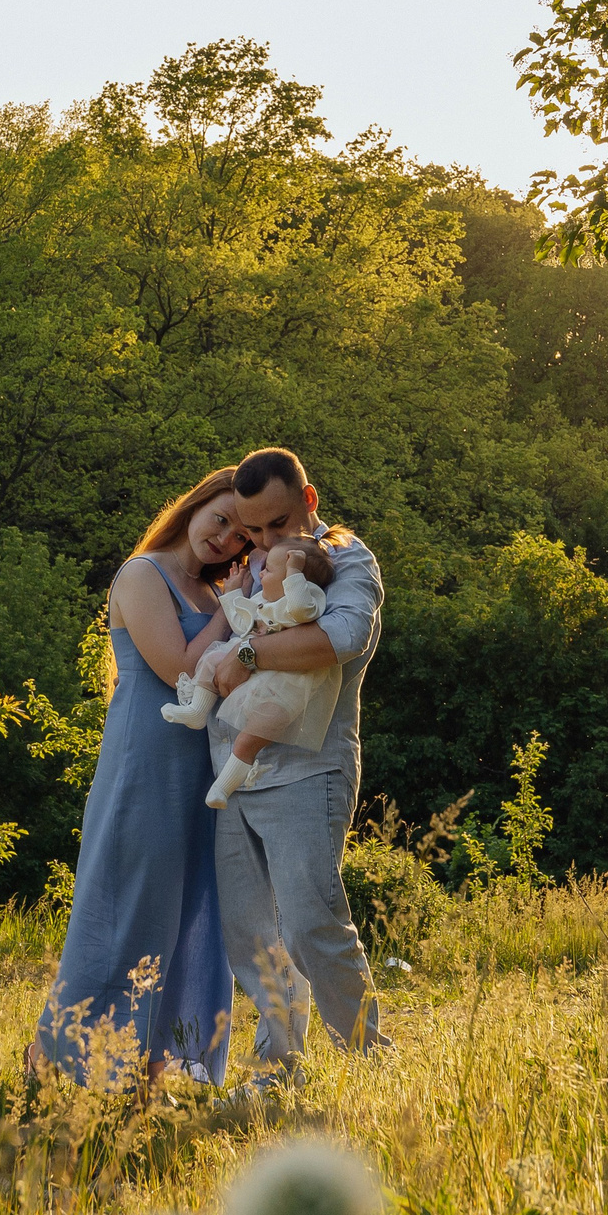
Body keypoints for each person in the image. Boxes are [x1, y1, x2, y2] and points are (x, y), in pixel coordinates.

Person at [32, 467, 248, 1087]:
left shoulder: (212, 594)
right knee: (125, 908)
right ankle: (67, 1057)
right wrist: (234, 613)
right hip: (144, 765)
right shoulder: (142, 573)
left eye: (240, 534)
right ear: (196, 505)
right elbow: (183, 669)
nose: (226, 538)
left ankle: (162, 1062)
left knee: (190, 915)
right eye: (222, 518)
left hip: (198, 772)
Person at [209, 446, 387, 1074]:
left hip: (308, 772)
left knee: (311, 925)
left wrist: (250, 655)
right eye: (251, 529)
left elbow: (341, 638)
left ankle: (369, 1063)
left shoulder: (343, 559)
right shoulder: (250, 562)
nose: (260, 541)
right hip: (232, 770)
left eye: (276, 525)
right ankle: (276, 1071)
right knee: (253, 938)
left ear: (308, 502)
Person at [159, 539, 339, 807]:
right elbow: (241, 623)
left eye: (270, 570)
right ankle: (197, 710)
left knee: (249, 739)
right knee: (212, 660)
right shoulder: (264, 599)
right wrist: (232, 594)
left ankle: (223, 787)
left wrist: (294, 572)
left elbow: (301, 610)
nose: (261, 574)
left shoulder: (304, 600)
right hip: (249, 672)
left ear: (296, 577)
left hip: (283, 685)